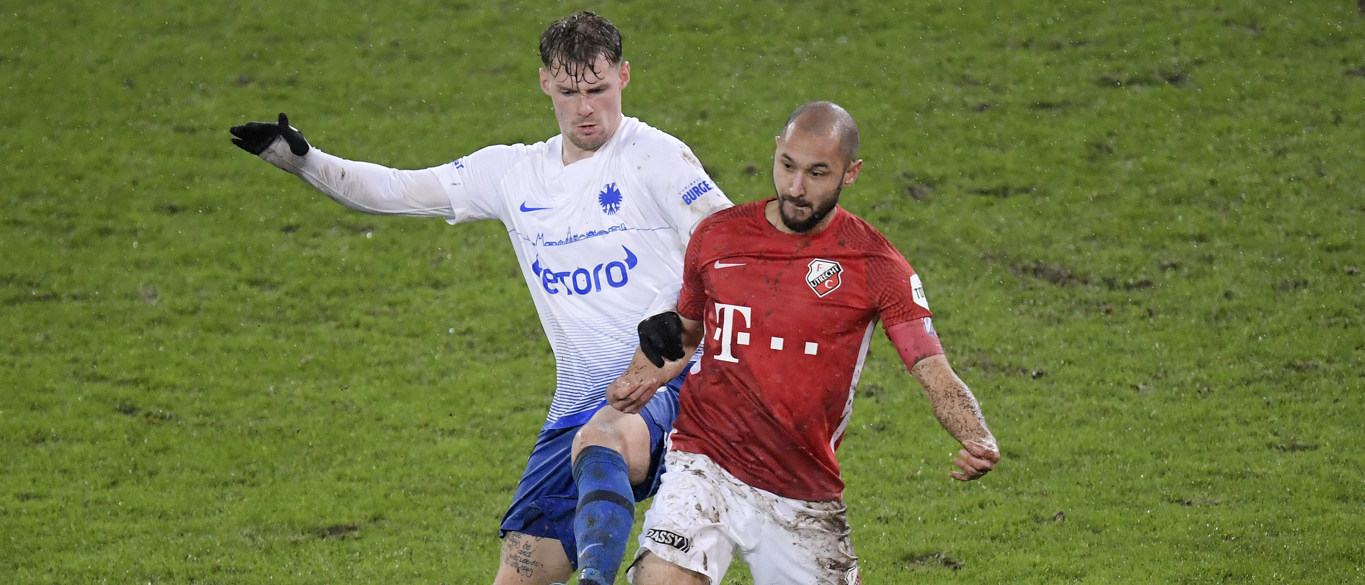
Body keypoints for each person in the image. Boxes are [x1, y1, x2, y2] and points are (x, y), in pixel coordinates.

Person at [227, 12, 732, 585]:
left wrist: (677, 311)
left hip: (677, 383)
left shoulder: (655, 157)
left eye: (598, 89)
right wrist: (304, 161)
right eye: (569, 93)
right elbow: (396, 190)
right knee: (519, 575)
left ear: (624, 76)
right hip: (579, 402)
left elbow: (732, 248)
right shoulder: (513, 174)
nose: (585, 108)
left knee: (606, 442)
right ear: (545, 84)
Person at [605, 101, 1000, 585]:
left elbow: (932, 368)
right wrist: (637, 380)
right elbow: (686, 335)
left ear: (851, 173)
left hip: (801, 487)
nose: (795, 188)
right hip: (705, 461)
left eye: (817, 173)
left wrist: (976, 435)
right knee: (660, 578)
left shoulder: (876, 265)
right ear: (776, 150)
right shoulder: (718, 236)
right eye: (787, 165)